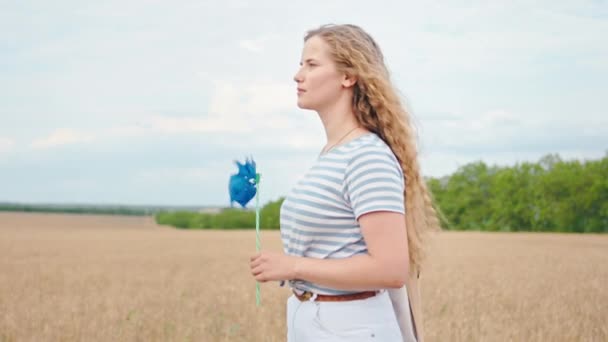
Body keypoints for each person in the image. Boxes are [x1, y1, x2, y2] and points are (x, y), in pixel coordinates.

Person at [249, 24, 441, 342]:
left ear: (348, 76)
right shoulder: (334, 153)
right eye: (300, 65)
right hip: (315, 322)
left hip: (351, 328)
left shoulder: (366, 156)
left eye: (311, 65)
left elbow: (390, 269)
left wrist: (294, 266)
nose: (298, 76)